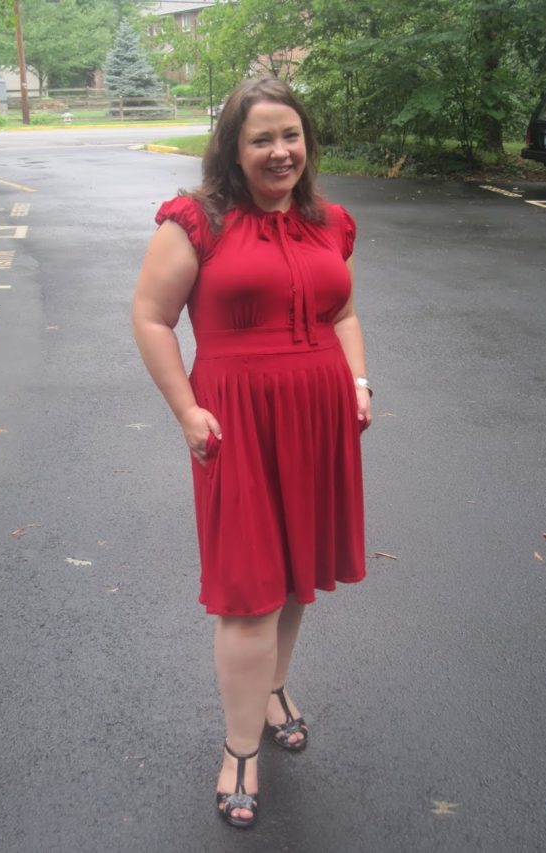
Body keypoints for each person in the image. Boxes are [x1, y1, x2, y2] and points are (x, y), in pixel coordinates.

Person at [131, 76, 372, 830]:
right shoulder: (197, 221)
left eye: (290, 135)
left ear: (308, 142)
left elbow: (343, 311)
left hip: (317, 417)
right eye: (261, 138)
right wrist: (186, 410)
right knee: (248, 591)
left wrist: (359, 381)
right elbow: (150, 316)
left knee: (294, 576)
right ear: (233, 149)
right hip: (235, 423)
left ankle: (271, 689)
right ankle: (240, 749)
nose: (280, 151)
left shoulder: (329, 222)